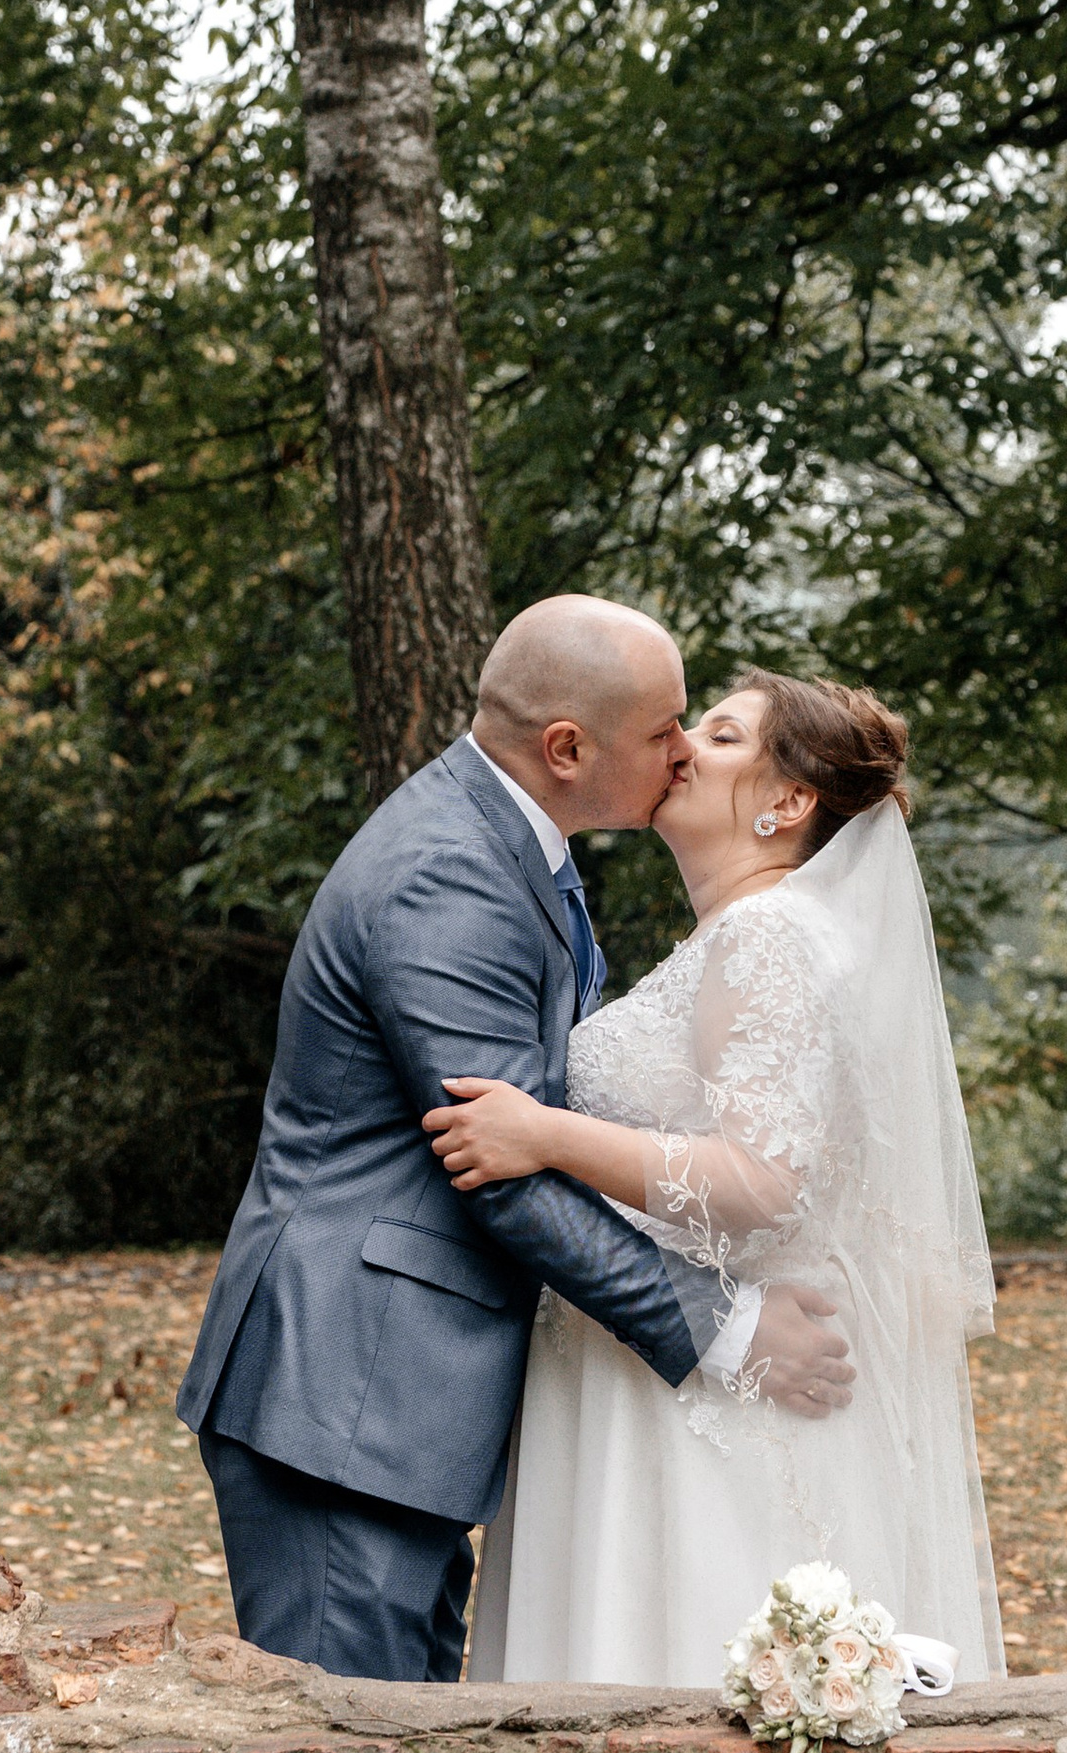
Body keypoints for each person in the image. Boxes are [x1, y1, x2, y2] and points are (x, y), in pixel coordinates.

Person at [175, 598, 857, 1681]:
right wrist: (724, 1329)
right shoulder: (447, 872)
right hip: (348, 1390)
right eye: (663, 729)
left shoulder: (513, 847)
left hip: (402, 1408)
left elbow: (535, 1136)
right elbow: (496, 1173)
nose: (680, 751)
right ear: (567, 748)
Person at [441, 671, 1004, 1684]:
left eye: (724, 732)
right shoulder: (740, 937)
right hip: (659, 1365)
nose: (685, 745)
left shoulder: (770, 936)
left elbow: (760, 1181)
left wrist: (545, 1134)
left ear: (787, 803)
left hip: (704, 1405)